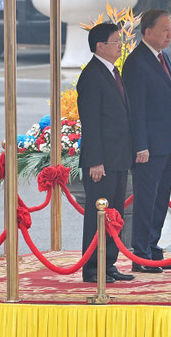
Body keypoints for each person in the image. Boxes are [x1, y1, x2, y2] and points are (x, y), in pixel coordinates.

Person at [122, 9, 171, 272]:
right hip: (149, 147)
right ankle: (141, 254)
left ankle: (154, 250)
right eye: (164, 29)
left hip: (166, 142)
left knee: (161, 198)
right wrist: (141, 145)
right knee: (146, 199)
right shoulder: (137, 62)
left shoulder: (162, 57)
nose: (170, 34)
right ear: (147, 32)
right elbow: (136, 109)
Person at [76, 23, 135, 284]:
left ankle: (109, 263)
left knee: (115, 214)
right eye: (116, 41)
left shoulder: (112, 72)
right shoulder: (92, 75)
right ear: (101, 46)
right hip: (102, 162)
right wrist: (95, 162)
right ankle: (92, 268)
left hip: (118, 158)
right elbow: (91, 124)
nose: (120, 46)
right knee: (98, 215)